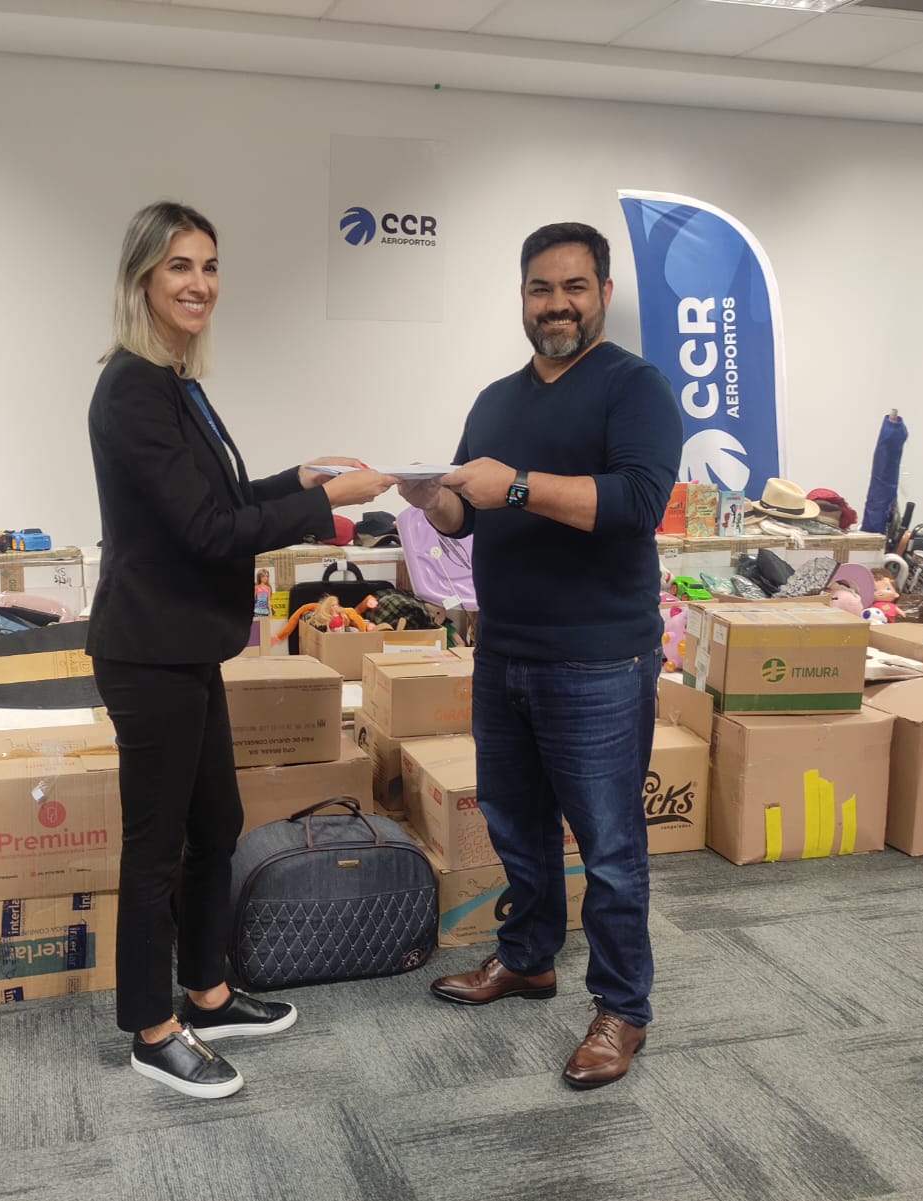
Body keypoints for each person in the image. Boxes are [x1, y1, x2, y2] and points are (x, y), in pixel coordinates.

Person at [86, 201, 395, 1099]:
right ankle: (152, 1029)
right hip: (149, 651)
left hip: (187, 643)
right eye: (180, 266)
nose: (200, 284)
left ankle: (208, 991)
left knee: (215, 825)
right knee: (155, 849)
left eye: (210, 266)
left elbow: (216, 498)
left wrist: (298, 478)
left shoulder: (175, 380)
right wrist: (326, 504)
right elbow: (208, 531)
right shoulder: (134, 388)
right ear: (143, 277)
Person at [400, 221, 682, 1089]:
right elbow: (465, 516)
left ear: (603, 294)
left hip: (599, 660)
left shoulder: (634, 387)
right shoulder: (495, 401)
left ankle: (623, 1008)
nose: (556, 304)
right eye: (540, 289)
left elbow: (637, 502)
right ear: (522, 297)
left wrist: (516, 484)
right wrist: (432, 497)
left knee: (609, 848)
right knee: (515, 826)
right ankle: (527, 957)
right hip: (505, 651)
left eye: (574, 287)